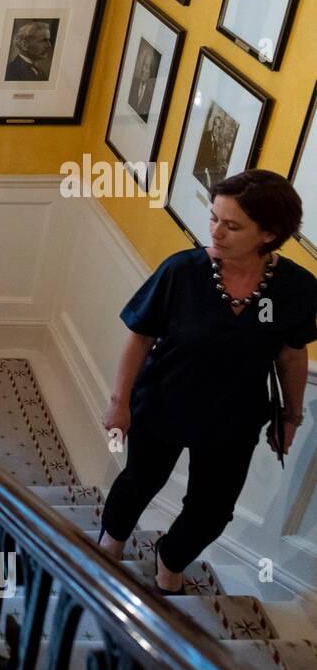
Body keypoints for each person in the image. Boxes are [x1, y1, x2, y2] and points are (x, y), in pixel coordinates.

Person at [97, 170, 317, 595]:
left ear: (269, 234)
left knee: (213, 510)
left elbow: (292, 353)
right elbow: (140, 336)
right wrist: (118, 402)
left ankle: (171, 557)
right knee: (140, 480)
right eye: (213, 217)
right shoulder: (182, 271)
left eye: (231, 225)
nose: (214, 231)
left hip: (234, 417)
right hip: (163, 400)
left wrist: (290, 415)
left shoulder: (296, 289)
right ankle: (110, 543)